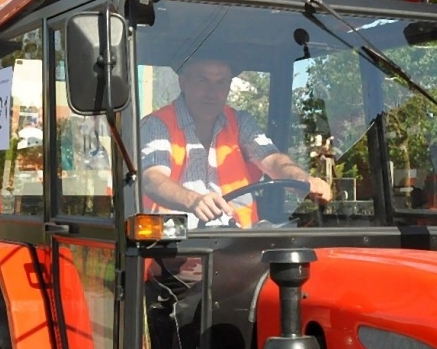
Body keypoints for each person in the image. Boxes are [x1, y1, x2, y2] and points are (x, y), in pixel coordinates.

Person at [139, 56, 330, 227]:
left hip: (239, 244)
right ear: (183, 82)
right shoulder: (157, 125)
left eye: (221, 82)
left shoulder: (239, 122)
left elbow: (271, 159)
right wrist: (192, 200)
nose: (212, 92)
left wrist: (301, 180)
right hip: (175, 250)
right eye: (202, 80)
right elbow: (152, 179)